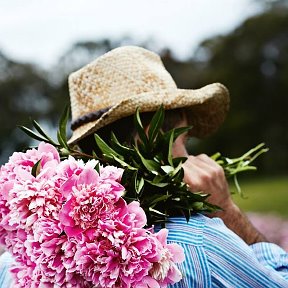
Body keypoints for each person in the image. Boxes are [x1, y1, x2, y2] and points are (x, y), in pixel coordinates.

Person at [1, 46, 288, 287]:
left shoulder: (14, 265)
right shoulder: (198, 244)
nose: (187, 154)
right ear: (152, 135)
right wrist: (229, 212)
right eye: (183, 139)